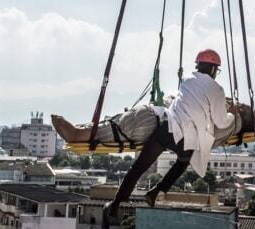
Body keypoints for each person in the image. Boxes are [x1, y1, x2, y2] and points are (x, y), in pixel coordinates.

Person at [99, 49, 240, 225]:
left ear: (198, 65)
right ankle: (156, 192)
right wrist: (232, 114)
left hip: (167, 130)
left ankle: (115, 204)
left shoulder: (186, 81)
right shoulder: (216, 89)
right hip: (185, 139)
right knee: (183, 161)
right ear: (213, 69)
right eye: (216, 70)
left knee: (139, 167)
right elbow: (220, 121)